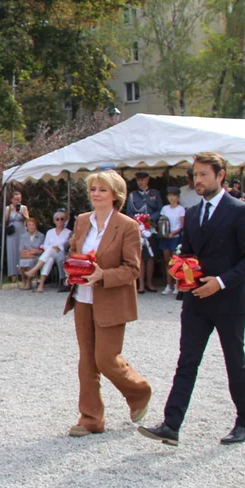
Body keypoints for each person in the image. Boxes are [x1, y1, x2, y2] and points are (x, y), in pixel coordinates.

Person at [140, 152, 245, 447]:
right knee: (187, 361)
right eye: (195, 175)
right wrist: (181, 271)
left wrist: (220, 282)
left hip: (229, 300)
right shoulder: (192, 213)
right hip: (196, 300)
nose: (197, 180)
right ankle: (171, 425)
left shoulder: (241, 210)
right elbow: (190, 255)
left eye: (203, 175)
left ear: (220, 176)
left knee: (235, 361)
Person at [62, 170, 150, 437]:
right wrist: (72, 267)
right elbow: (74, 251)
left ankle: (139, 391)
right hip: (82, 299)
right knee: (87, 361)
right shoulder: (81, 221)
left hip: (111, 300)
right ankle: (91, 418)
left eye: (102, 189)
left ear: (115, 195)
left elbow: (132, 269)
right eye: (93, 189)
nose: (96, 194)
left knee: (105, 359)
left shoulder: (127, 226)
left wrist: (102, 275)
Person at [127, 171, 163, 293]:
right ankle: (141, 284)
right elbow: (129, 212)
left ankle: (150, 283)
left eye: (143, 179)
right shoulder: (133, 195)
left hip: (151, 228)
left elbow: (160, 209)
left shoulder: (155, 193)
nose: (141, 182)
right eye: (138, 180)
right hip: (138, 229)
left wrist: (151, 218)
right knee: (140, 257)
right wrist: (137, 222)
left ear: (147, 179)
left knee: (151, 257)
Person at [23, 211, 71, 293]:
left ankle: (34, 270)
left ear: (65, 220)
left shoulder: (68, 232)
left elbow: (68, 246)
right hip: (50, 254)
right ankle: (41, 285)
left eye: (62, 219)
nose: (59, 221)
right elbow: (44, 245)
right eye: (57, 219)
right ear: (54, 221)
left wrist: (58, 248)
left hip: (62, 254)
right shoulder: (50, 232)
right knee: (50, 258)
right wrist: (52, 248)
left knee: (50, 251)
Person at [159, 187, 186, 295]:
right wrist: (164, 233)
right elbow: (162, 222)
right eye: (169, 195)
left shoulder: (181, 209)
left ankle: (177, 284)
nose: (171, 198)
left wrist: (173, 233)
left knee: (176, 262)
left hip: (176, 237)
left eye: (174, 195)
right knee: (167, 261)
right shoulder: (165, 208)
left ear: (178, 197)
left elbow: (182, 225)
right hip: (166, 238)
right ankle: (168, 284)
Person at [2, 189, 28, 280]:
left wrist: (21, 213)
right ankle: (13, 273)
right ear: (12, 200)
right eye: (15, 199)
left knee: (21, 251)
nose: (17, 201)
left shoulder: (23, 208)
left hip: (21, 230)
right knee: (12, 251)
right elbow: (5, 221)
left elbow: (28, 219)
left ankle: (22, 272)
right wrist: (10, 211)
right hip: (12, 231)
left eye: (19, 199)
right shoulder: (8, 208)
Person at [18, 217, 45, 289]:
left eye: (33, 225)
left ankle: (29, 282)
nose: (31, 227)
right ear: (27, 226)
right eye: (29, 225)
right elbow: (21, 249)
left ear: (36, 226)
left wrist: (34, 252)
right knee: (22, 262)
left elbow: (41, 249)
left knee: (30, 261)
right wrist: (30, 252)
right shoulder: (23, 236)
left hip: (37, 257)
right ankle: (24, 281)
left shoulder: (41, 236)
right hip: (26, 256)